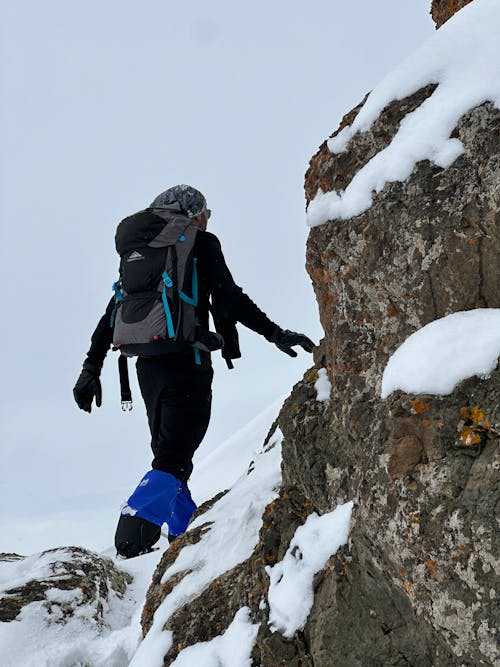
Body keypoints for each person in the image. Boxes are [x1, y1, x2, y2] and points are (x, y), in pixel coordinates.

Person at [73, 185, 315, 558]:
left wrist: (91, 367)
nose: (206, 221)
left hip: (147, 369)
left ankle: (183, 539)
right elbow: (230, 297)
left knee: (173, 457)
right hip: (188, 364)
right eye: (206, 214)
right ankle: (132, 539)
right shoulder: (198, 243)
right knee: (171, 458)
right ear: (195, 213)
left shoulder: (143, 254)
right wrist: (275, 333)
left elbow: (113, 313)